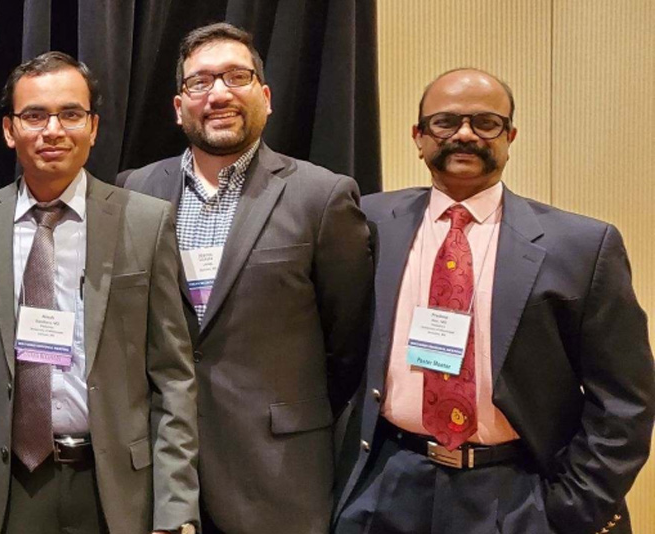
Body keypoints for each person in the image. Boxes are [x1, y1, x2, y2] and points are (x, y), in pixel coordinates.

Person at [334, 68, 654, 534]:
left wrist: (572, 507)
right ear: (418, 136)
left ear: (510, 136)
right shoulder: (367, 222)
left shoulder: (582, 246)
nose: (465, 134)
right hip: (388, 484)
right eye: (445, 122)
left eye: (486, 122)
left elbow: (625, 401)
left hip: (518, 494)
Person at [115, 23, 372, 534]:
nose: (219, 94)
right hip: (161, 476)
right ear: (178, 104)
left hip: (276, 472)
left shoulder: (323, 197)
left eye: (237, 76)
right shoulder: (134, 191)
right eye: (201, 82)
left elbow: (349, 342)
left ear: (266, 96)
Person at [0, 51, 199, 534]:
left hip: (118, 490)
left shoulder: (146, 221)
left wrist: (177, 509)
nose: (53, 130)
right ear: (9, 130)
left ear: (94, 126)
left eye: (71, 114)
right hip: (10, 489)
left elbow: (173, 376)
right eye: (34, 115)